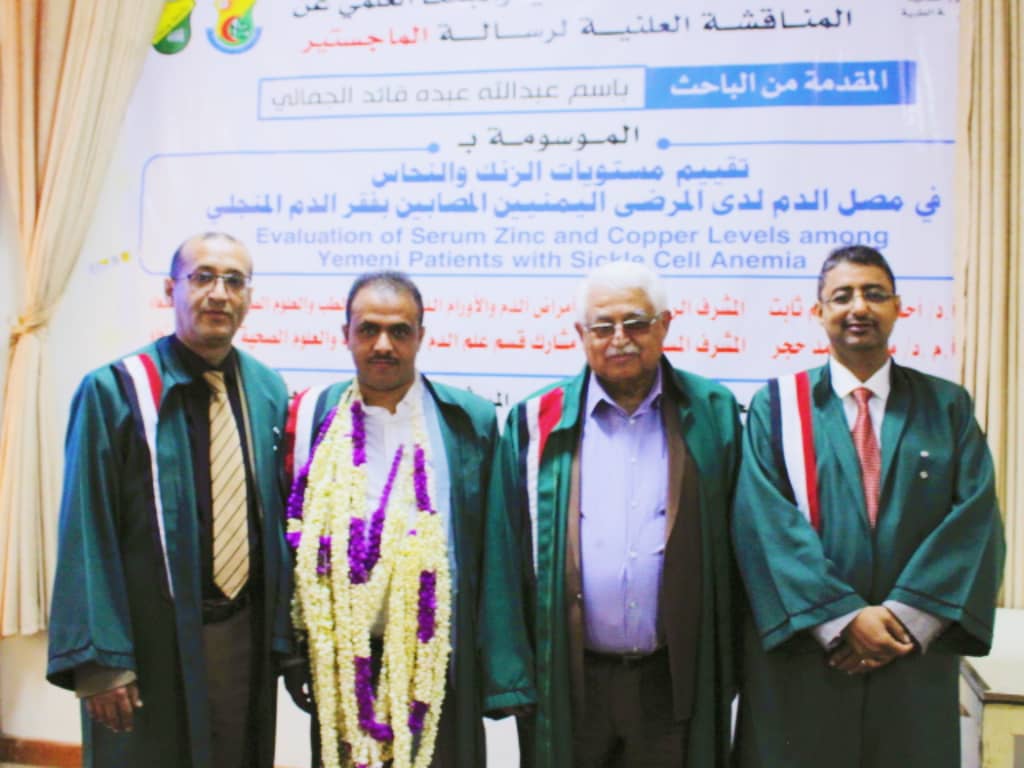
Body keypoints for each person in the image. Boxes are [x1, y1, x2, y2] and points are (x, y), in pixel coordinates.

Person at [731, 245, 1005, 768]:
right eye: (843, 296)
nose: (859, 307)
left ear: (898, 307)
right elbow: (763, 525)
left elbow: (975, 524)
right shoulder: (779, 406)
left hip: (910, 657)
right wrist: (841, 621)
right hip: (808, 659)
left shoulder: (946, 406)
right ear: (818, 312)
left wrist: (902, 621)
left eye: (874, 294)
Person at [479, 261, 742, 767]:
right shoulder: (536, 420)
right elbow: (502, 552)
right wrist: (510, 675)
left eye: (636, 323)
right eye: (603, 327)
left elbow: (742, 547)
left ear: (664, 326)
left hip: (673, 680)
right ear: (581, 334)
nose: (620, 339)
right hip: (569, 680)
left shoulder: (714, 412)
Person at [47, 232, 293, 768]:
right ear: (170, 290)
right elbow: (86, 529)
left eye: (234, 281)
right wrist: (102, 663)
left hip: (241, 637)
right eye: (202, 277)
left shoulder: (267, 391)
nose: (219, 293)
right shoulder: (115, 391)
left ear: (249, 296)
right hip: (148, 639)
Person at [283, 271, 497, 768]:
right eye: (368, 329)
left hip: (437, 660)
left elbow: (496, 554)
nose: (383, 345)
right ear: (346, 335)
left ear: (421, 336)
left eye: (399, 330)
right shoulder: (313, 417)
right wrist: (292, 649)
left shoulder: (468, 421)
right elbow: (287, 541)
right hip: (340, 664)